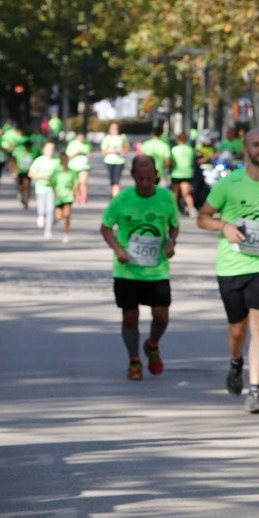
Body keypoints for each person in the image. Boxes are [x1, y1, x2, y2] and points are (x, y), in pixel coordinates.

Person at [197, 128, 259, 413]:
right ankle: (235, 362)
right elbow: (203, 218)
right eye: (256, 145)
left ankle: (254, 391)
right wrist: (225, 226)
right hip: (231, 265)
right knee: (237, 328)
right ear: (246, 150)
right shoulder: (229, 184)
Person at [99, 155, 180, 381]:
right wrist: (118, 250)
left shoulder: (166, 198)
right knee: (130, 316)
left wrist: (172, 242)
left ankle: (152, 344)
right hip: (128, 270)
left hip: (157, 269)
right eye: (140, 178)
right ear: (133, 176)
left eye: (149, 178)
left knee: (161, 315)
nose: (145, 183)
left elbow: (174, 226)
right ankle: (134, 360)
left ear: (156, 175)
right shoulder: (122, 199)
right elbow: (105, 227)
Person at [28, 142, 61, 237]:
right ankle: (40, 215)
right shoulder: (39, 161)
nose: (50, 151)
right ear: (44, 150)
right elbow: (30, 173)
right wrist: (41, 176)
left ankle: (48, 230)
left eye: (52, 149)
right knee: (41, 206)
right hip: (40, 188)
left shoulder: (57, 161)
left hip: (52, 188)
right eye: (48, 149)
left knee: (50, 210)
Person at [49, 144, 79, 241]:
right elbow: (52, 183)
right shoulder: (56, 171)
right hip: (59, 196)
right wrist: (55, 193)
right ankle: (54, 220)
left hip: (68, 196)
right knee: (59, 216)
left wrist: (74, 192)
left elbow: (76, 183)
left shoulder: (72, 172)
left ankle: (66, 234)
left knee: (67, 215)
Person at [169, 130, 198, 215]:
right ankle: (192, 209)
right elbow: (193, 160)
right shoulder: (190, 149)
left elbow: (171, 161)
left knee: (175, 193)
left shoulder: (174, 149)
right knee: (186, 193)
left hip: (176, 173)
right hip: (187, 173)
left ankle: (174, 210)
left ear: (178, 139)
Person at [101, 122, 130, 197]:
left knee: (117, 180)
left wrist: (123, 152)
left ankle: (115, 197)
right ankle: (113, 194)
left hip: (119, 161)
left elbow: (126, 147)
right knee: (112, 180)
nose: (114, 130)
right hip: (109, 160)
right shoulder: (107, 138)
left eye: (115, 128)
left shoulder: (122, 137)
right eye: (112, 128)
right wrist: (112, 151)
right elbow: (103, 150)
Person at [65, 129, 93, 205]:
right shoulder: (72, 144)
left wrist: (87, 155)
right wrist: (76, 153)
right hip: (74, 166)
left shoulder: (87, 143)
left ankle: (84, 197)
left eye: (82, 136)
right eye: (80, 136)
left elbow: (90, 153)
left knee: (83, 182)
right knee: (76, 183)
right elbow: (68, 156)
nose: (81, 138)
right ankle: (77, 197)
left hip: (84, 166)